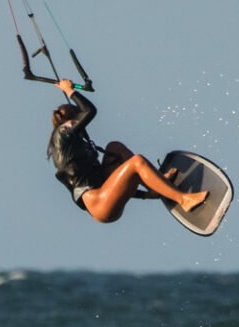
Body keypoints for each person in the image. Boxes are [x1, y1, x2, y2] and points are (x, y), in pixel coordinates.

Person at [47, 79, 207, 223]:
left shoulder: (74, 146)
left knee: (114, 147)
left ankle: (153, 188)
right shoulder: (62, 131)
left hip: (103, 192)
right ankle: (184, 200)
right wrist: (70, 91)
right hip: (100, 204)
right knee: (137, 162)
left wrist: (145, 195)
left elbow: (118, 184)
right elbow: (89, 111)